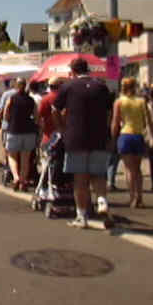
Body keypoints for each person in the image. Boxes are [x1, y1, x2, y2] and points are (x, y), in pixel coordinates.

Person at [53, 58, 111, 229]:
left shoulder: (68, 87)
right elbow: (109, 111)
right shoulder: (101, 86)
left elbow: (55, 110)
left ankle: (82, 216)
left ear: (73, 71)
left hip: (76, 137)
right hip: (99, 137)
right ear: (88, 69)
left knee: (80, 179)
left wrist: (62, 129)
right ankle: (101, 200)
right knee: (98, 174)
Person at [111, 77, 152, 208]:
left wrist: (113, 137)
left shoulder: (119, 102)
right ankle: (140, 197)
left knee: (129, 169)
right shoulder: (142, 101)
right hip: (138, 136)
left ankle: (132, 197)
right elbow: (147, 121)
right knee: (138, 169)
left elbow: (115, 122)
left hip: (125, 135)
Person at [3, 78, 38, 191]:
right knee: (25, 158)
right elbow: (36, 116)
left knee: (12, 156)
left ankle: (16, 177)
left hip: (14, 130)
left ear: (17, 86)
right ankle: (23, 181)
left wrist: (9, 120)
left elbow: (5, 114)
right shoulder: (31, 100)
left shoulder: (12, 98)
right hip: (28, 131)